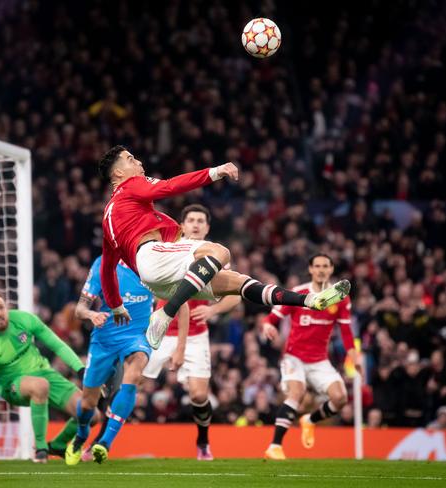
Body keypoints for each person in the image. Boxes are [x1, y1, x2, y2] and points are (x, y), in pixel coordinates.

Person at [97, 145, 351, 350]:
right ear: (118, 174)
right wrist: (216, 172)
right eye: (130, 159)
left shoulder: (109, 218)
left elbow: (107, 269)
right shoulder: (130, 186)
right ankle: (165, 315)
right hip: (153, 258)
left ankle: (310, 299)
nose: (138, 162)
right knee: (220, 252)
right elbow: (169, 186)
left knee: (237, 283)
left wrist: (117, 305)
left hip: (155, 279)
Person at [65, 256, 189, 465]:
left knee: (135, 370)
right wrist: (91, 314)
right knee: (88, 402)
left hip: (136, 336)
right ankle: (80, 435)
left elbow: (181, 303)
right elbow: (79, 309)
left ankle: (105, 443)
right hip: (104, 340)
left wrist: (180, 348)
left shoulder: (152, 265)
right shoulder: (104, 264)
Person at [143, 204, 241, 461]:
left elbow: (237, 295)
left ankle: (203, 442)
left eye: (201, 220)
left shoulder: (217, 254)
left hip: (196, 334)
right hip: (160, 331)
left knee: (198, 394)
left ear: (207, 227)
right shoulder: (170, 247)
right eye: (191, 220)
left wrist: (213, 311)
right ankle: (102, 440)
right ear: (182, 225)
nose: (196, 224)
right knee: (130, 380)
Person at [0, 292, 100, 464]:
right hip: (11, 384)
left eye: (1, 307)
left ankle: (59, 444)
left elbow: (56, 344)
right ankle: (41, 449)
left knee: (92, 414)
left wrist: (80, 369)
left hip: (43, 373)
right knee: (40, 385)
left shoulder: (24, 320)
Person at [260, 254, 361, 460]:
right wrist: (268, 325)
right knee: (296, 393)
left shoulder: (340, 297)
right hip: (293, 356)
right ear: (311, 269)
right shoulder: (299, 293)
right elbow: (273, 317)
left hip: (319, 360)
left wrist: (355, 357)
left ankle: (310, 420)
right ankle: (275, 446)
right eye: (317, 266)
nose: (322, 269)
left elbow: (346, 332)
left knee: (340, 398)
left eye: (326, 266)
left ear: (331, 269)